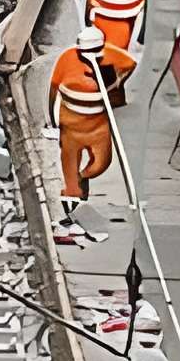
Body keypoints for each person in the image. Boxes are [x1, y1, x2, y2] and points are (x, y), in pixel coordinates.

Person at [47, 24, 136, 241]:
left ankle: (82, 178)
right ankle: (71, 212)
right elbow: (53, 89)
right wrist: (51, 119)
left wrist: (116, 83)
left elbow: (130, 63)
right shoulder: (67, 59)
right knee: (70, 178)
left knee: (100, 164)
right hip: (71, 128)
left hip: (98, 126)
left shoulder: (110, 58)